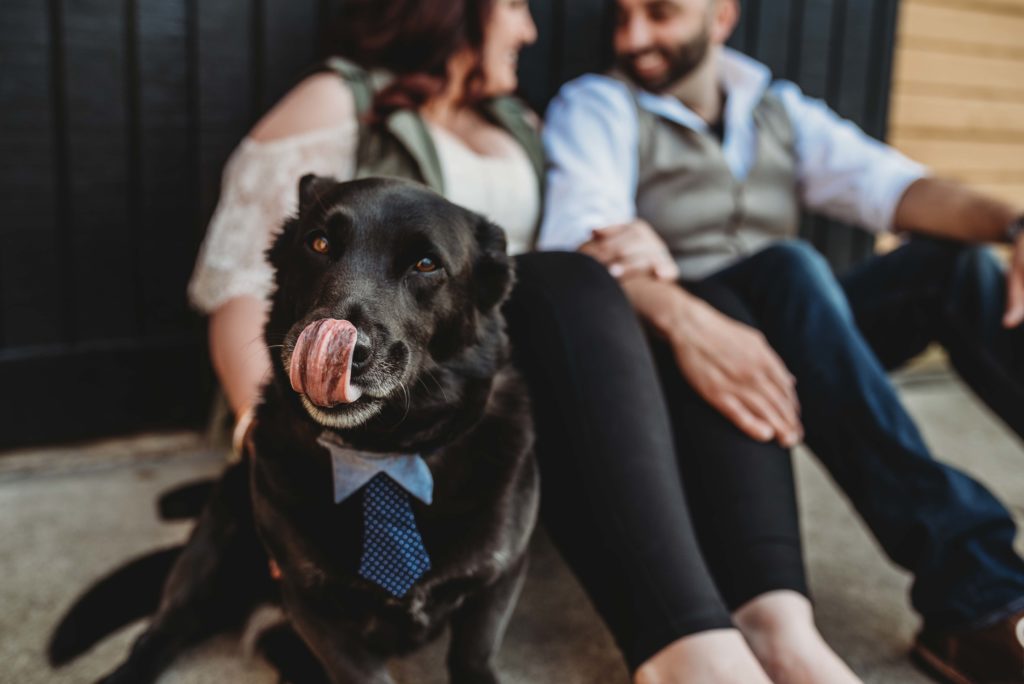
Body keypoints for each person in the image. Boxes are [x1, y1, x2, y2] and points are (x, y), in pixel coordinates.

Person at [186, 0, 858, 682]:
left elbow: (559, 255)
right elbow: (244, 282)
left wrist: (630, 242)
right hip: (362, 391)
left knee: (707, 302)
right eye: (515, 4)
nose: (532, 30)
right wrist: (264, 447)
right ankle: (691, 652)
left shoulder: (524, 124)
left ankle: (779, 626)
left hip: (492, 380)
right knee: (583, 285)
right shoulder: (339, 100)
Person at [539, 0, 1024, 681]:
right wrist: (682, 315)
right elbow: (580, 244)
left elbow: (892, 185)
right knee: (791, 267)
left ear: (721, 17)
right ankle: (976, 597)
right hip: (676, 361)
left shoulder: (773, 104)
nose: (633, 36)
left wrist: (1015, 225)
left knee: (958, 265)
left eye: (660, 13)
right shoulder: (599, 105)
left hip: (793, 332)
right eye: (622, 17)